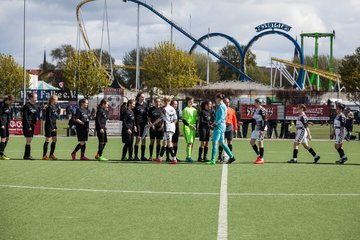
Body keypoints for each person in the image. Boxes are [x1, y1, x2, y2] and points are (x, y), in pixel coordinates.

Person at [205, 93, 235, 165]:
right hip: (222, 126)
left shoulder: (221, 106)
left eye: (216, 98)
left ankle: (213, 160)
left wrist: (215, 124)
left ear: (219, 99)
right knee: (221, 143)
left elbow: (221, 118)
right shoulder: (223, 106)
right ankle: (231, 156)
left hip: (219, 126)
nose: (216, 100)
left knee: (215, 142)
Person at [155, 96, 178, 164]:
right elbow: (175, 118)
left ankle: (174, 159)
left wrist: (152, 124)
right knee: (164, 142)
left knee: (169, 143)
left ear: (165, 101)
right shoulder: (173, 109)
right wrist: (172, 124)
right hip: (171, 127)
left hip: (167, 128)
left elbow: (160, 118)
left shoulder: (164, 109)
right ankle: (159, 158)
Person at [250, 98, 267, 164]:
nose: (254, 103)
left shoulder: (263, 110)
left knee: (260, 143)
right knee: (252, 142)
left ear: (258, 103)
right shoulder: (256, 110)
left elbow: (265, 120)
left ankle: (262, 159)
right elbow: (253, 119)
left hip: (261, 129)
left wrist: (262, 130)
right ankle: (259, 155)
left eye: (255, 102)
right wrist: (243, 122)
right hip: (256, 128)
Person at [42, 95, 60, 160]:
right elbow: (48, 118)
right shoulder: (49, 107)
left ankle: (51, 154)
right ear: (52, 100)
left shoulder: (55, 107)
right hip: (49, 126)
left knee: (54, 139)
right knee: (47, 140)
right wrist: (52, 127)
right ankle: (44, 155)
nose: (57, 101)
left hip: (54, 126)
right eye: (56, 99)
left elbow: (56, 116)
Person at [22, 92, 39, 160]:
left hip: (32, 125)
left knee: (30, 140)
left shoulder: (35, 105)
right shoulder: (26, 105)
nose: (36, 99)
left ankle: (27, 155)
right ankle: (27, 156)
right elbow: (25, 117)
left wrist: (34, 123)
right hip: (27, 125)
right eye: (35, 97)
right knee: (28, 140)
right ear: (31, 98)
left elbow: (35, 115)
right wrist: (28, 126)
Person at [133, 92, 149, 161]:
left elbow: (148, 115)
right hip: (138, 124)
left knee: (144, 140)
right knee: (138, 139)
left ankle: (143, 156)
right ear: (139, 97)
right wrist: (134, 125)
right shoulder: (135, 105)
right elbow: (133, 116)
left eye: (144, 97)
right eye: (142, 97)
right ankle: (136, 156)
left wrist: (149, 122)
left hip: (144, 125)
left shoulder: (146, 105)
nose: (143, 98)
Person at [182, 96, 198, 162]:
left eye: (192, 101)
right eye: (190, 101)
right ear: (187, 102)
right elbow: (184, 120)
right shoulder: (185, 109)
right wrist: (190, 125)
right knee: (189, 142)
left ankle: (189, 156)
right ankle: (188, 157)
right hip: (187, 128)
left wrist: (195, 125)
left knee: (192, 143)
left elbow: (196, 119)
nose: (191, 102)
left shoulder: (195, 110)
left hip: (193, 128)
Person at [0, 95, 14, 160]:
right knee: (3, 138)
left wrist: (9, 121)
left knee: (7, 138)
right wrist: (2, 124)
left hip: (6, 124)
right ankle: (1, 154)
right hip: (2, 124)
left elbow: (8, 115)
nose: (11, 102)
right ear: (7, 100)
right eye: (10, 101)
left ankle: (1, 152)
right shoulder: (1, 105)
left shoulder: (9, 106)